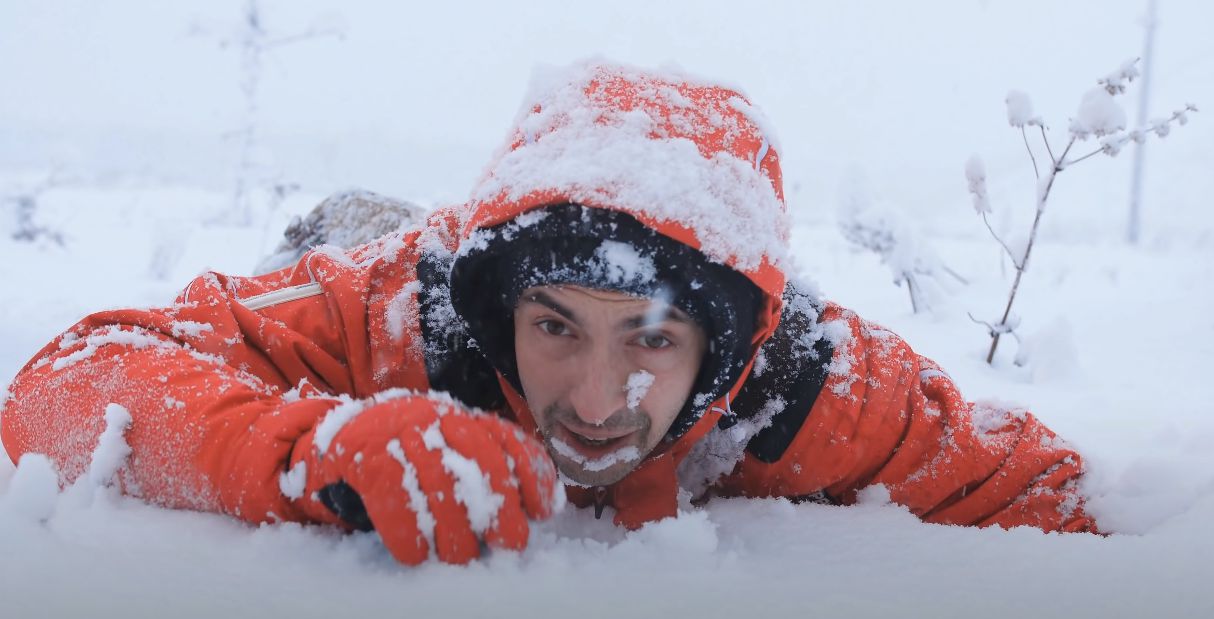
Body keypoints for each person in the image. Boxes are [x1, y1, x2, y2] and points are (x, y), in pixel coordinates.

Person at [0, 62, 1098, 566]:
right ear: (497, 306)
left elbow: (1047, 493)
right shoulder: (402, 305)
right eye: (557, 325)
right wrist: (301, 448)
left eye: (653, 338)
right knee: (340, 228)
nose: (589, 399)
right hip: (370, 248)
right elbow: (63, 388)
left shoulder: (806, 380)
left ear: (725, 348)